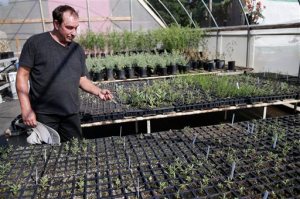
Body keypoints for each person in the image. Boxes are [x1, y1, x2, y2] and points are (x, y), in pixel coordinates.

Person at [16, 5, 113, 142]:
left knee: (75, 151)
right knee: (47, 156)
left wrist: (98, 91)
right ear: (56, 23)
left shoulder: (76, 49)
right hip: (44, 115)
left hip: (71, 114)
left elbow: (81, 79)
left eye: (76, 28)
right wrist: (26, 109)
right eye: (69, 27)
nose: (74, 33)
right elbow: (22, 76)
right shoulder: (36, 44)